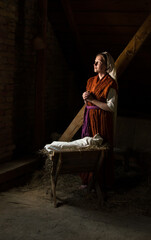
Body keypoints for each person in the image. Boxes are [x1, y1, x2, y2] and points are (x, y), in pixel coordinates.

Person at [80, 51, 118, 190]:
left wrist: (92, 100)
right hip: (89, 118)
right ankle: (87, 180)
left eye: (99, 61)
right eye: (95, 61)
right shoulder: (90, 81)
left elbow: (111, 107)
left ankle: (101, 182)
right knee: (88, 147)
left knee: (101, 149)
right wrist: (85, 98)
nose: (95, 64)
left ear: (106, 65)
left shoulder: (110, 83)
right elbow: (88, 104)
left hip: (102, 120)